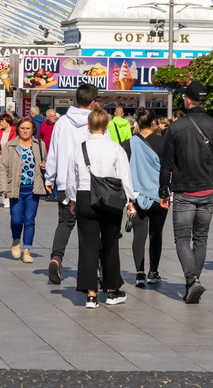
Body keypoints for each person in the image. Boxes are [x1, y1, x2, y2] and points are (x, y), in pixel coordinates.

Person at [158, 81, 213, 304]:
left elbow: (166, 164)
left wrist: (163, 190)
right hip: (208, 190)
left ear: (187, 100)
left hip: (183, 190)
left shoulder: (176, 128)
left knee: (182, 238)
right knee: (201, 238)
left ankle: (192, 280)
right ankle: (194, 282)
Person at [68, 104, 136, 308]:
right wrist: (130, 200)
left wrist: (72, 200)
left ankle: (90, 294)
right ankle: (113, 290)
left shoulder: (79, 149)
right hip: (110, 200)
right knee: (110, 244)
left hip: (85, 197)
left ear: (88, 125)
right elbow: (125, 176)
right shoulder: (115, 147)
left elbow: (71, 178)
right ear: (107, 126)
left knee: (87, 245)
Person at [45, 83, 96, 285]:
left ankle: (56, 258)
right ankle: (93, 267)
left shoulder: (62, 122)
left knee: (65, 223)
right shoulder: (96, 122)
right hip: (90, 183)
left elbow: (54, 151)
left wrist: (50, 177)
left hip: (65, 182)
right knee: (91, 227)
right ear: (93, 102)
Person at [0, 118, 47, 263]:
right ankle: (15, 240)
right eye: (22, 128)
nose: (25, 131)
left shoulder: (40, 145)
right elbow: (3, 168)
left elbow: (46, 161)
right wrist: (3, 187)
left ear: (33, 130)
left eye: (28, 128)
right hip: (16, 187)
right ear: (18, 129)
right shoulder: (10, 146)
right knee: (17, 220)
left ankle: (27, 250)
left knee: (30, 220)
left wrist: (45, 166)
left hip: (33, 188)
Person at [129, 108, 167, 287]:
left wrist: (128, 200)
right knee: (156, 233)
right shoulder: (163, 143)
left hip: (137, 196)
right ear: (153, 123)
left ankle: (139, 273)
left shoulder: (128, 143)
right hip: (159, 196)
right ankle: (153, 272)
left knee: (139, 234)